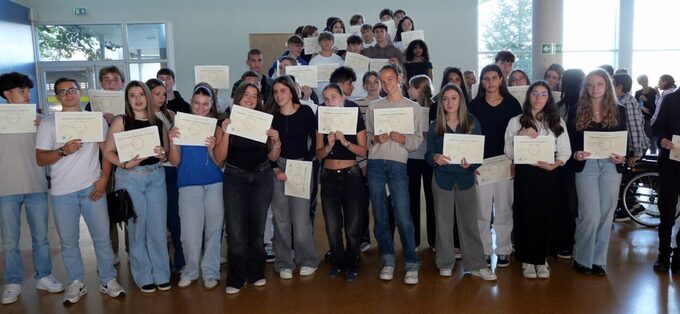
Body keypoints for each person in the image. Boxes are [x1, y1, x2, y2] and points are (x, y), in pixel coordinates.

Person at [36, 77, 125, 304]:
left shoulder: (95, 120)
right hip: (62, 192)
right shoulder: (48, 124)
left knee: (102, 237)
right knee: (68, 241)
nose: (68, 94)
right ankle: (76, 282)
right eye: (62, 92)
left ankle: (108, 280)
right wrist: (63, 151)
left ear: (80, 92)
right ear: (57, 96)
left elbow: (106, 152)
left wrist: (104, 179)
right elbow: (40, 158)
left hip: (92, 187)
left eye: (72, 90)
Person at [0, 72, 64, 305]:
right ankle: (13, 281)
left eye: (28, 90)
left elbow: (54, 148)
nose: (28, 95)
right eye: (22, 91)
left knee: (41, 237)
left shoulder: (40, 120)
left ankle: (44, 275)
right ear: (7, 94)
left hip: (36, 185)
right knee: (10, 240)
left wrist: (42, 126)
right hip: (5, 188)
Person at [103, 81, 170, 292]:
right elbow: (107, 151)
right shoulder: (121, 121)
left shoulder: (157, 122)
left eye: (141, 94)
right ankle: (143, 275)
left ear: (147, 97)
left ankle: (161, 273)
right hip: (131, 176)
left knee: (158, 227)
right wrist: (124, 164)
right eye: (132, 95)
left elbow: (165, 152)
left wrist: (163, 154)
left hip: (156, 176)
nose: (138, 99)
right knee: (137, 228)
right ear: (127, 99)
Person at [426, 83, 496, 281]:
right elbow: (428, 153)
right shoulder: (435, 125)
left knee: (469, 223)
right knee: (443, 222)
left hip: (465, 179)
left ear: (460, 101)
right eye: (445, 98)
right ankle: (445, 262)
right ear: (441, 102)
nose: (449, 102)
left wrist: (471, 164)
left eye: (453, 98)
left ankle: (476, 265)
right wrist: (435, 157)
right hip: (442, 179)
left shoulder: (473, 123)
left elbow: (478, 155)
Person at [215, 82, 281, 293]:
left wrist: (277, 141)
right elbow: (219, 159)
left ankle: (256, 271)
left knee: (257, 228)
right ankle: (236, 276)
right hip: (235, 177)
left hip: (262, 176)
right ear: (238, 97)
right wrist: (226, 132)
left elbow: (272, 157)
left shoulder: (264, 119)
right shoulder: (226, 119)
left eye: (255, 96)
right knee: (235, 230)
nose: (250, 99)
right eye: (246, 95)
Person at [504, 81, 571, 279]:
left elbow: (565, 150)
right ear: (529, 96)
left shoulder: (556, 121)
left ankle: (541, 260)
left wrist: (555, 164)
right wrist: (521, 135)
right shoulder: (516, 121)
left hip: (549, 174)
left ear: (548, 98)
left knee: (546, 216)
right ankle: (526, 259)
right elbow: (508, 151)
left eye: (543, 94)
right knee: (525, 216)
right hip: (525, 175)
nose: (538, 98)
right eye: (535, 93)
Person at [365, 64, 423, 284]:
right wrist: (374, 139)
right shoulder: (374, 107)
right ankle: (387, 259)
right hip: (375, 164)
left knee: (402, 216)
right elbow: (368, 136)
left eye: (390, 79)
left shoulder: (412, 107)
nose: (386, 84)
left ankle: (411, 262)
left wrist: (404, 140)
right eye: (382, 80)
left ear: (399, 78)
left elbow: (417, 139)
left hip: (398, 164)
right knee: (380, 216)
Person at [568, 69, 627, 276]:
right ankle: (582, 258)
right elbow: (571, 142)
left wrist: (623, 156)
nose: (595, 88)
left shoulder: (620, 110)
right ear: (586, 87)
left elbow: (623, 140)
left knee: (606, 214)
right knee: (590, 215)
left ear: (607, 86)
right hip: (587, 165)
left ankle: (598, 261)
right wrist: (575, 153)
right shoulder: (576, 110)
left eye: (599, 84)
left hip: (611, 165)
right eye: (591, 84)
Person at [165, 83, 224, 291]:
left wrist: (212, 147)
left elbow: (220, 162)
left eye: (205, 104)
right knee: (189, 233)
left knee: (213, 230)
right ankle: (190, 270)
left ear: (211, 104)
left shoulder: (217, 127)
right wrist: (172, 142)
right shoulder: (180, 125)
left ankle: (210, 271)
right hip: (188, 184)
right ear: (191, 103)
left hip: (214, 183)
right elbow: (174, 162)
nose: (201, 108)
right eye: (197, 103)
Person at [468, 64, 522, 268]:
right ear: (481, 82)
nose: (490, 82)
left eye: (493, 78)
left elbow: (518, 136)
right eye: (486, 78)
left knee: (504, 209)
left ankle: (504, 249)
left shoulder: (512, 104)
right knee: (481, 211)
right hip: (481, 165)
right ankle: (483, 249)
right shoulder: (474, 105)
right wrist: (472, 163)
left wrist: (516, 161)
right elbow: (469, 135)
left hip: (505, 163)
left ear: (501, 80)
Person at [267, 76, 319, 279]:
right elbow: (267, 148)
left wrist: (305, 163)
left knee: (301, 218)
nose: (279, 95)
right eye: (275, 91)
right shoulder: (272, 116)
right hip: (278, 167)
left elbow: (315, 140)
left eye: (283, 91)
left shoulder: (305, 111)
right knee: (281, 219)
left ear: (291, 92)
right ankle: (284, 262)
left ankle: (307, 260)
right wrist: (275, 168)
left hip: (302, 165)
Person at [316, 84, 368, 282]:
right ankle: (337, 261)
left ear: (343, 96)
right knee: (332, 225)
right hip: (328, 174)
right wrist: (329, 145)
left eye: (334, 97)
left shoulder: (353, 112)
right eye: (327, 99)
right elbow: (318, 153)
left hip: (351, 174)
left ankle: (352, 262)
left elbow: (363, 151)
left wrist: (345, 142)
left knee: (353, 225)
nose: (330, 102)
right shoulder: (321, 114)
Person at [145, 79, 184, 273]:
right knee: (158, 221)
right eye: (156, 94)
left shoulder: (171, 114)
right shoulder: (141, 117)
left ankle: (181, 261)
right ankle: (162, 265)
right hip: (153, 171)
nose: (160, 98)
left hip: (172, 170)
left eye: (163, 94)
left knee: (176, 219)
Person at [553, 68, 584, 259]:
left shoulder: (560, 107)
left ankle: (565, 242)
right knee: (576, 203)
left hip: (562, 161)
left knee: (566, 202)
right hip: (577, 160)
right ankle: (574, 242)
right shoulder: (577, 108)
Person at [651, 87, 680, 274]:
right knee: (667, 212)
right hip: (671, 164)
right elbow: (657, 128)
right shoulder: (671, 99)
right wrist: (661, 140)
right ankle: (663, 255)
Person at [406, 75, 435, 250]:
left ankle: (433, 240)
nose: (409, 90)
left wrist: (428, 133)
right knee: (412, 199)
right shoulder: (408, 107)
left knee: (432, 199)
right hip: (411, 157)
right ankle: (414, 240)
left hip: (430, 158)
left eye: (411, 87)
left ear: (420, 88)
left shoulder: (435, 107)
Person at [612, 74, 649, 166]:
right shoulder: (622, 100)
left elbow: (634, 129)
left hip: (633, 148)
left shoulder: (627, 102)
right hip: (630, 146)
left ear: (619, 87)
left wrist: (637, 154)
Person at [634, 74, 658, 154]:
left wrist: (646, 100)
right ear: (640, 83)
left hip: (650, 118)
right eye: (643, 81)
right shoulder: (637, 93)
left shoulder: (653, 91)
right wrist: (641, 107)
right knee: (641, 137)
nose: (645, 83)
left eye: (646, 80)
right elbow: (635, 105)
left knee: (650, 137)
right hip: (640, 118)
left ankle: (653, 155)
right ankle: (642, 156)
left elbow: (656, 106)